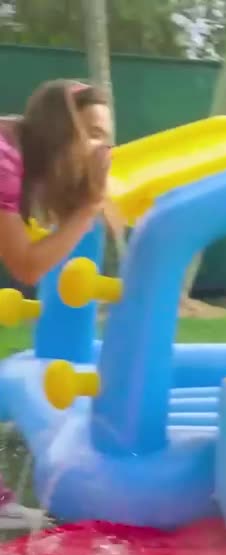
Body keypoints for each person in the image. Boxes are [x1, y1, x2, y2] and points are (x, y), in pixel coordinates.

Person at [0, 79, 114, 529]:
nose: (98, 147)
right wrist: (88, 209)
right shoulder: (6, 159)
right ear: (58, 128)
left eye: (104, 135)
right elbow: (27, 266)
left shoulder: (17, 148)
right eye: (90, 132)